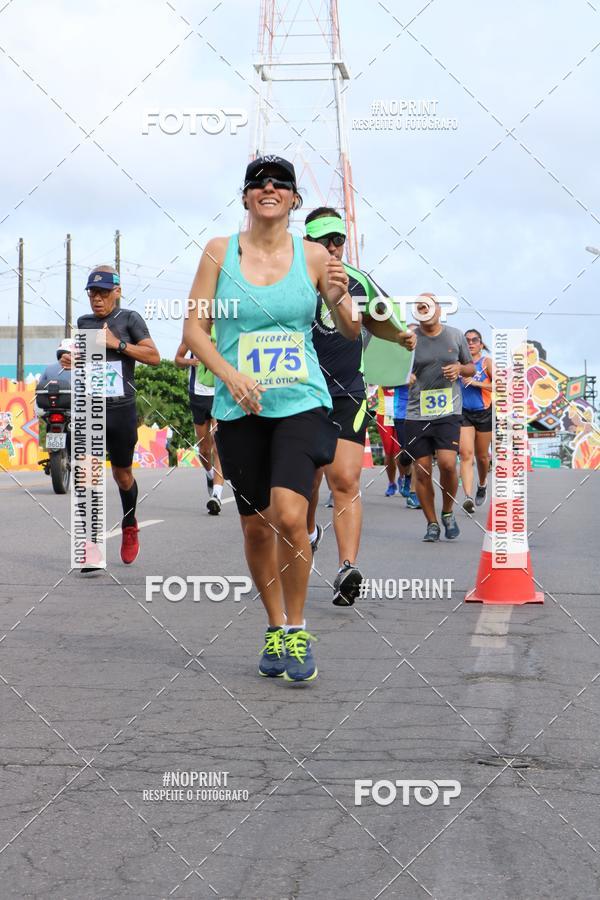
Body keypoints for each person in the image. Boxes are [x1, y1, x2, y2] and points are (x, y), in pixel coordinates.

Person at [182, 156, 358, 682]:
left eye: (280, 183)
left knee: (289, 515)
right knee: (256, 527)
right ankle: (274, 625)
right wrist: (229, 376)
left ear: (293, 199)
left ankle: (298, 629)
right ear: (245, 197)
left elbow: (350, 329)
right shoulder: (219, 253)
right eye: (258, 182)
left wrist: (341, 296)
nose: (269, 187)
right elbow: (194, 331)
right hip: (239, 407)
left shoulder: (314, 257)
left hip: (301, 402)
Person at [304, 207, 416, 605]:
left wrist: (398, 335)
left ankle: (346, 568)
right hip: (300, 393)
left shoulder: (359, 280)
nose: (333, 247)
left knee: (345, 480)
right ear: (308, 242)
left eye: (338, 239)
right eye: (324, 240)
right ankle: (309, 533)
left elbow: (376, 319)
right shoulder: (291, 278)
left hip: (347, 392)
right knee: (306, 485)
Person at [77, 266, 160, 568]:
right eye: (92, 293)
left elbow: (154, 357)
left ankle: (129, 524)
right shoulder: (84, 323)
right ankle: (91, 545)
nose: (97, 299)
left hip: (121, 410)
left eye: (103, 293)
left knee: (122, 475)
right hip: (91, 408)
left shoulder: (129, 319)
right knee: (87, 476)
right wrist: (72, 359)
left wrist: (118, 344)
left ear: (117, 292)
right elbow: (87, 362)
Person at [404, 295, 474, 542]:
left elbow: (471, 367)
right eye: (419, 306)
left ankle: (447, 512)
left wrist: (459, 369)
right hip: (417, 413)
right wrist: (405, 375)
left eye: (428, 305)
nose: (423, 309)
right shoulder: (410, 339)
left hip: (448, 411)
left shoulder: (455, 335)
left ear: (438, 309)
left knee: (447, 463)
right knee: (422, 470)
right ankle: (432, 523)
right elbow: (394, 369)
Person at [175, 330, 224, 515]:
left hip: (219, 394)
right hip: (198, 395)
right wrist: (190, 362)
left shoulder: (225, 330)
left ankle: (216, 495)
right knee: (204, 449)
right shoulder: (193, 333)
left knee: (218, 446)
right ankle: (210, 475)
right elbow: (177, 359)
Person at [459, 329, 493, 512]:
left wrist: (476, 382)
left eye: (475, 340)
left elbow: (500, 385)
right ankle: (467, 497)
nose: (471, 343)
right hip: (464, 413)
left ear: (481, 344)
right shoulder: (459, 363)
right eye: (467, 340)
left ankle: (482, 483)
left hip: (484, 413)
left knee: (482, 457)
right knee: (466, 454)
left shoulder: (487, 363)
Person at [393, 325, 420, 509]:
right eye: (409, 334)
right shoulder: (398, 359)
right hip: (402, 412)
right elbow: (385, 382)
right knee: (406, 455)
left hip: (423, 412)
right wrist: (403, 378)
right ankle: (407, 476)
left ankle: (413, 493)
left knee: (420, 454)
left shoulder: (428, 358)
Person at [375, 386, 401, 496]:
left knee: (400, 450)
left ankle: (403, 479)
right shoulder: (382, 374)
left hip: (401, 411)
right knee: (389, 451)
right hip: (385, 413)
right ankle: (391, 483)